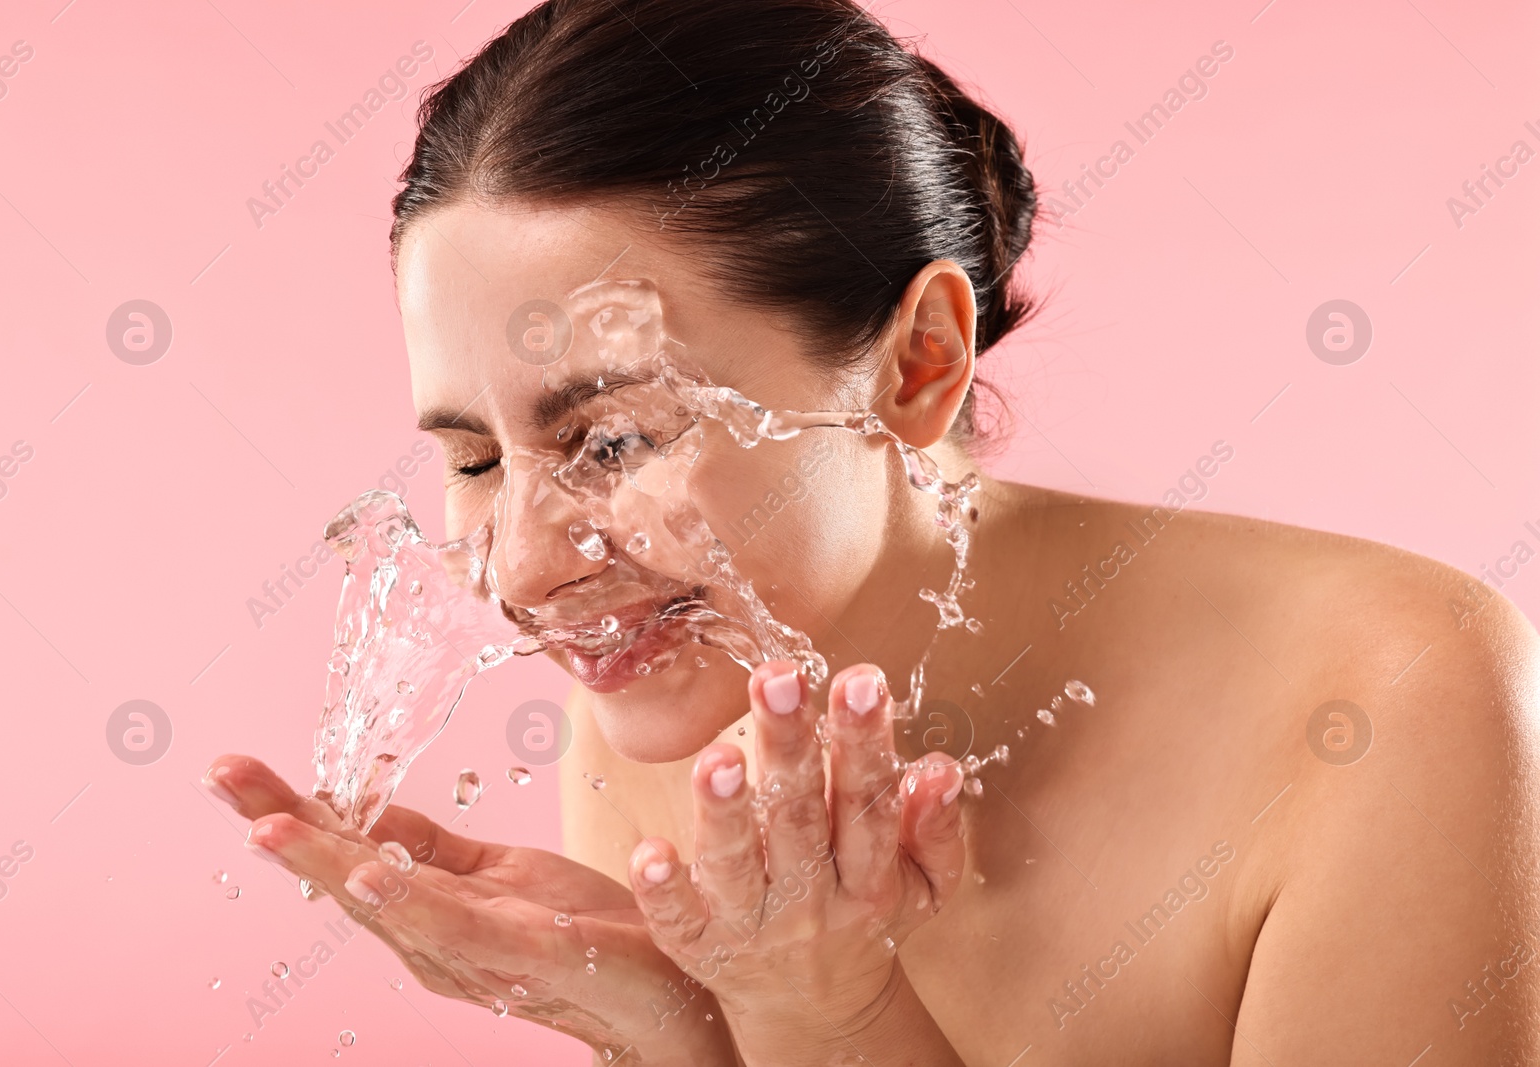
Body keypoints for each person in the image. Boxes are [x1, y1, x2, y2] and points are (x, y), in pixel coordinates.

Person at [205, 0, 1540, 1062]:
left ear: (915, 364)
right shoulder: (671, 711)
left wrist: (833, 1022)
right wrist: (677, 1036)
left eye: (614, 441)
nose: (528, 570)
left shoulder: (1386, 696)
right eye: (478, 458)